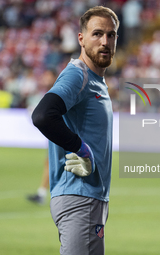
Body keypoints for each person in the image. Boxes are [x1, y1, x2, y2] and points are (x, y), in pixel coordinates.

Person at [31, 6, 119, 255]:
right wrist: (83, 150)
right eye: (97, 34)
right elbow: (42, 116)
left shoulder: (95, 80)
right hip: (79, 197)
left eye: (111, 35)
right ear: (81, 38)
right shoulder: (78, 75)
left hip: (88, 199)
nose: (105, 41)